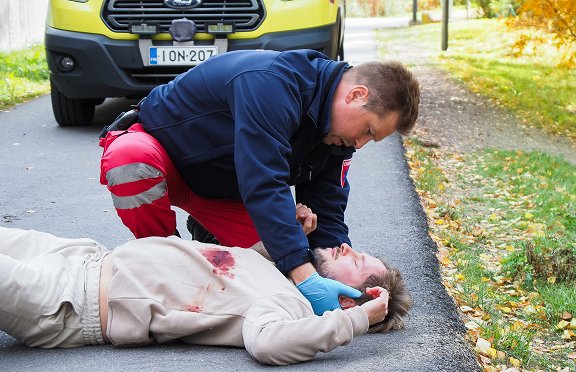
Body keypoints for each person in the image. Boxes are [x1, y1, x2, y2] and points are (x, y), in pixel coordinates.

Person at [98, 49, 420, 315]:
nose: (361, 143)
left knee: (275, 259)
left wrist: (329, 272)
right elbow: (264, 180)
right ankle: (164, 260)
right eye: (368, 131)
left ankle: (208, 235)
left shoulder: (337, 136)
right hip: (166, 157)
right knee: (130, 162)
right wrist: (305, 275)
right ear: (356, 95)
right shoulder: (272, 82)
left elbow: (329, 205)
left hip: (224, 191)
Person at [0, 225, 411, 365]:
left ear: (347, 299)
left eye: (357, 261)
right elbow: (225, 270)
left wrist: (360, 321)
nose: (346, 247)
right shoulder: (279, 276)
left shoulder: (287, 306)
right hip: (79, 257)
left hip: (68, 302)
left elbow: (267, 345)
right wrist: (284, 240)